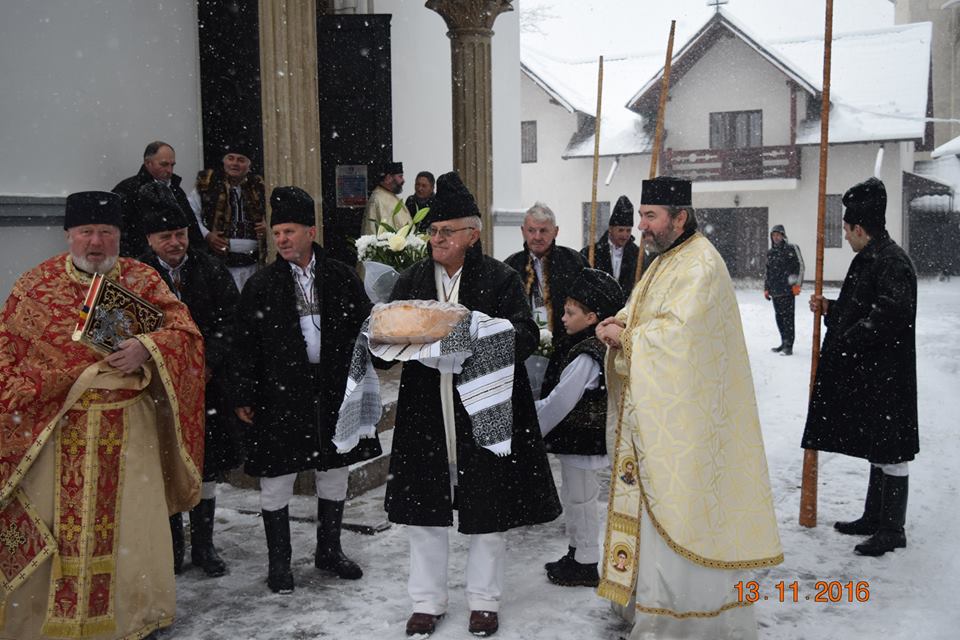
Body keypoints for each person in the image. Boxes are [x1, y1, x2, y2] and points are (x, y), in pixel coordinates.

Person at [0, 191, 204, 639]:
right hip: (57, 430)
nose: (96, 242)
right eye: (86, 232)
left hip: (130, 429)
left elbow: (186, 337)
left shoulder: (143, 279)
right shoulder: (35, 287)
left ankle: (132, 617)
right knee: (56, 529)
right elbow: (9, 360)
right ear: (69, 234)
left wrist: (146, 349)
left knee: (132, 531)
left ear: (119, 237)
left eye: (106, 233)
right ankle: (45, 621)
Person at [595, 176, 782, 639]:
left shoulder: (700, 264)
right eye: (641, 216)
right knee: (654, 518)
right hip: (660, 419)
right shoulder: (665, 261)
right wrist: (619, 320)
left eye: (651, 216)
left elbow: (679, 340)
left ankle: (685, 620)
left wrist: (628, 338)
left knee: (680, 518)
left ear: (680, 217)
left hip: (686, 427)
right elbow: (643, 312)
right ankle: (646, 604)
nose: (642, 226)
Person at [385, 172, 561, 638]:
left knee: (487, 501)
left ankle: (484, 600)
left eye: (446, 231)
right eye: (433, 231)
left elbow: (526, 335)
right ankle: (427, 600)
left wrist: (477, 335)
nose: (436, 239)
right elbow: (386, 335)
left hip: (485, 401)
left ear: (473, 234)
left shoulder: (499, 278)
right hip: (427, 402)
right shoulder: (412, 278)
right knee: (426, 501)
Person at [233, 186, 381, 594]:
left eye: (290, 231)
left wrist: (384, 347)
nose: (282, 239)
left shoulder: (340, 275)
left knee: (333, 472)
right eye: (277, 232)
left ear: (310, 231)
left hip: (332, 390)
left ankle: (328, 551)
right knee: (276, 478)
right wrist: (244, 393)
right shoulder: (261, 285)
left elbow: (366, 326)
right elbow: (243, 343)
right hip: (279, 394)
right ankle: (279, 563)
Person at [801, 177, 918, 557]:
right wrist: (832, 309)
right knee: (878, 445)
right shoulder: (869, 258)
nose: (846, 237)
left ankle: (892, 528)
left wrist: (848, 340)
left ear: (860, 229)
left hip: (888, 374)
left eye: (848, 230)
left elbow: (887, 317)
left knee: (892, 451)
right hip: (873, 374)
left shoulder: (892, 262)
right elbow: (860, 308)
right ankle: (873, 517)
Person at [138, 183, 243, 578]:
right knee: (165, 465)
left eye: (180, 235)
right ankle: (171, 548)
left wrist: (208, 362)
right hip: (157, 390)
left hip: (205, 387)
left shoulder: (210, 269)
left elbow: (230, 322)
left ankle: (204, 546)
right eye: (165, 236)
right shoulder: (138, 276)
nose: (175, 243)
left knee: (206, 467)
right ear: (150, 239)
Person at [536, 268, 624, 588]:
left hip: (583, 439)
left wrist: (535, 425)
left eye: (570, 312)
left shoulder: (587, 354)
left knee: (582, 500)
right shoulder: (583, 345)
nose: (563, 317)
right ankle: (576, 552)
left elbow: (562, 399)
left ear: (591, 318)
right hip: (578, 440)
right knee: (574, 496)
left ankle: (586, 561)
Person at [504, 203, 587, 397]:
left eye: (543, 230)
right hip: (523, 353)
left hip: (566, 349)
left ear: (555, 231)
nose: (537, 237)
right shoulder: (510, 267)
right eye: (531, 230)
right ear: (523, 231)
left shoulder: (574, 262)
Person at [187, 141, 268, 291]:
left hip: (254, 265)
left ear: (248, 165)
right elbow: (190, 214)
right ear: (224, 161)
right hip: (220, 264)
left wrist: (267, 226)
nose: (235, 163)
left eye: (241, 160)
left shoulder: (260, 187)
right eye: (230, 158)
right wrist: (207, 236)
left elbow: (275, 216)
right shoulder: (207, 184)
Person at [112, 140, 203, 258]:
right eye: (164, 164)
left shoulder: (177, 191)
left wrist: (198, 259)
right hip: (142, 264)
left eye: (172, 165)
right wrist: (136, 263)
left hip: (178, 263)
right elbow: (118, 233)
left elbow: (192, 229)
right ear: (148, 163)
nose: (169, 170)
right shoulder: (127, 190)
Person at [580, 195, 643, 294]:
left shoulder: (638, 255)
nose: (625, 235)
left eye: (628, 230)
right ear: (610, 229)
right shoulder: (590, 252)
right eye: (621, 230)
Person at [764, 224, 803, 355]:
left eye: (778, 235)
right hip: (775, 291)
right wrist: (766, 288)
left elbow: (800, 266)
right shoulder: (771, 253)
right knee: (779, 318)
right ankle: (783, 342)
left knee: (788, 319)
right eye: (773, 235)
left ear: (783, 236)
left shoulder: (792, 249)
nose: (776, 237)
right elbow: (768, 272)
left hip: (788, 290)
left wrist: (797, 284)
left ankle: (789, 346)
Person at [362, 161, 410, 235]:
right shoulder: (378, 198)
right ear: (388, 178)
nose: (403, 180)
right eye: (400, 176)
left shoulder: (388, 195)